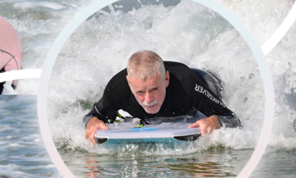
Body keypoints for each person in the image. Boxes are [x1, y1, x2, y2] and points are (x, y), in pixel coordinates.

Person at [84, 50, 240, 144]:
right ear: (129, 83)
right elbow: (92, 116)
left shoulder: (187, 85)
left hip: (205, 80)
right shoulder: (117, 88)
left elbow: (233, 118)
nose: (148, 99)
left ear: (166, 79)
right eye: (140, 92)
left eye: (154, 89)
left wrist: (215, 120)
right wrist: (92, 122)